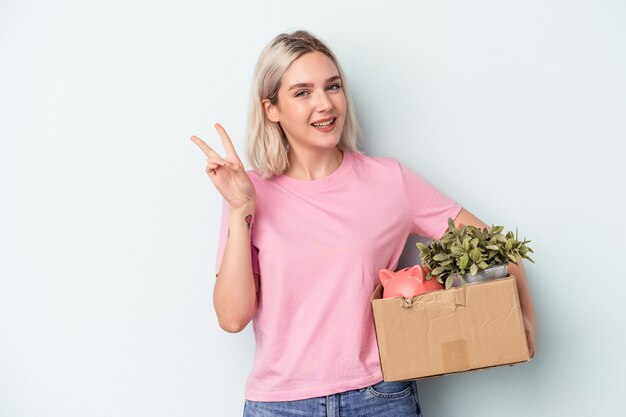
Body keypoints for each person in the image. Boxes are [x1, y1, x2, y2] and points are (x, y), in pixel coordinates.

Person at [191, 30, 536, 417]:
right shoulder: (248, 192)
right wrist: (240, 209)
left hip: (379, 398)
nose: (324, 104)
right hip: (279, 405)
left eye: (332, 86)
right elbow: (232, 317)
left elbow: (491, 245)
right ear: (271, 108)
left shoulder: (390, 181)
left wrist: (522, 316)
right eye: (302, 92)